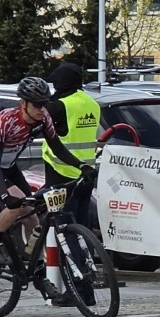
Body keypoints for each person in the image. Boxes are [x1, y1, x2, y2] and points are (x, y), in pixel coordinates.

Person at [0, 76, 93, 254]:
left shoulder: (43, 119)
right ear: (23, 103)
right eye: (37, 105)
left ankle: (33, 262)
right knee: (15, 205)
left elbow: (57, 147)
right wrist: (5, 195)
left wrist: (82, 166)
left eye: (44, 103)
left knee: (32, 218)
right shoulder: (6, 120)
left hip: (9, 166)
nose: (42, 109)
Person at [42, 61, 100, 228]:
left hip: (62, 171)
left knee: (63, 225)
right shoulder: (91, 103)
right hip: (86, 171)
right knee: (82, 224)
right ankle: (85, 254)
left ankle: (67, 255)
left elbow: (37, 118)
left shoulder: (60, 105)